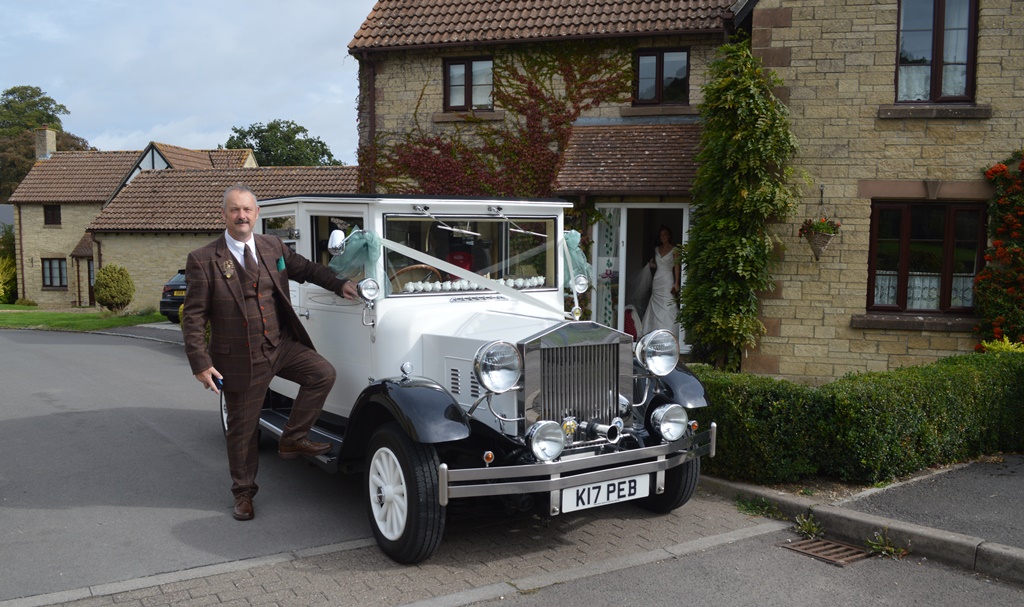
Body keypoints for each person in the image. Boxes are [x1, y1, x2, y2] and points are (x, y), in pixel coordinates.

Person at [182, 184, 358, 521]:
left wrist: (339, 283)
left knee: (322, 373)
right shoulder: (203, 260)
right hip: (239, 357)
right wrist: (200, 363)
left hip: (281, 344)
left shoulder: (272, 246)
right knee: (242, 431)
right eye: (234, 210)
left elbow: (306, 269)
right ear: (224, 215)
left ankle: (293, 438)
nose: (242, 216)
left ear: (257, 213)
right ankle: (244, 494)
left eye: (247, 209)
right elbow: (193, 317)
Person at [642, 225, 680, 336]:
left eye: (664, 234)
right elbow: (657, 264)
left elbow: (677, 265)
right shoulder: (656, 249)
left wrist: (676, 282)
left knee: (668, 303)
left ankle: (669, 331)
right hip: (657, 279)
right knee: (655, 304)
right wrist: (651, 265)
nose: (662, 237)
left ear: (669, 236)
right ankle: (654, 331)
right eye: (661, 235)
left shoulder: (675, 250)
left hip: (668, 278)